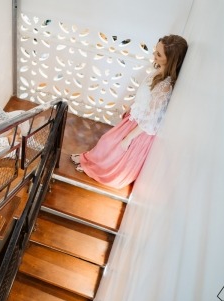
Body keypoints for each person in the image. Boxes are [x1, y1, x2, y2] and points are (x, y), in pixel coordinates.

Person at [70, 34, 188, 189]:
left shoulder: (164, 86)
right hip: (133, 119)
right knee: (107, 141)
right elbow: (145, 96)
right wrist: (131, 106)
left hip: (139, 129)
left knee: (114, 146)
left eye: (158, 54)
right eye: (155, 51)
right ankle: (90, 160)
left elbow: (150, 120)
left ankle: (96, 167)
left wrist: (129, 138)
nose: (154, 55)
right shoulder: (158, 72)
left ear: (171, 60)